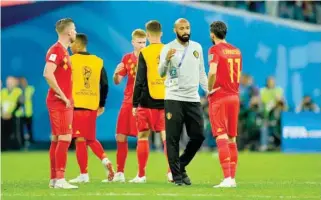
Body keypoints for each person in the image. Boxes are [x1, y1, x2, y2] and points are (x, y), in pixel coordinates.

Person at [158, 18, 208, 186]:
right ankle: (177, 177)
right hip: (173, 97)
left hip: (193, 98)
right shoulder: (167, 48)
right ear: (175, 30)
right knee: (173, 138)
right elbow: (160, 73)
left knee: (199, 136)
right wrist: (166, 60)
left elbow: (202, 73)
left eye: (187, 27)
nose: (185, 31)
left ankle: (179, 165)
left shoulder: (197, 48)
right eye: (182, 28)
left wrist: (209, 91)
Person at [66, 33, 115, 184]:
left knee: (80, 139)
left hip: (78, 105)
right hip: (92, 106)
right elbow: (105, 84)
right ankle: (105, 161)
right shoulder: (98, 61)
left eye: (72, 44)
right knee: (90, 138)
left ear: (79, 45)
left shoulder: (71, 60)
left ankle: (83, 174)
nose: (70, 47)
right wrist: (102, 104)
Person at [131, 20, 170, 183]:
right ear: (161, 34)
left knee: (142, 136)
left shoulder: (144, 53)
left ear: (147, 35)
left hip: (147, 101)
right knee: (168, 138)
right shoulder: (170, 50)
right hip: (167, 101)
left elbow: (139, 81)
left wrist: (134, 103)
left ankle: (141, 175)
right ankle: (172, 172)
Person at [110, 29, 151, 182]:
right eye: (139, 42)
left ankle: (142, 174)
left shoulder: (150, 57)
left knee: (143, 137)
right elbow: (117, 80)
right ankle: (120, 172)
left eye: (144, 42)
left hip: (144, 102)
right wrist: (115, 74)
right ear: (133, 42)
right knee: (120, 135)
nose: (142, 45)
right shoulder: (126, 58)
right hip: (128, 101)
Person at [207, 21, 242, 188]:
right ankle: (232, 178)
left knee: (221, 136)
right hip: (234, 96)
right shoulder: (236, 51)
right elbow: (239, 74)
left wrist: (208, 89)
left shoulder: (214, 50)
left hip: (220, 96)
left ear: (212, 34)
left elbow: (212, 72)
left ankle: (227, 178)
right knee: (232, 138)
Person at [43, 18, 77, 189]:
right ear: (69, 32)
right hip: (59, 102)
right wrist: (63, 96)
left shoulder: (64, 51)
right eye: (75, 30)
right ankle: (60, 179)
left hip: (62, 100)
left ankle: (54, 179)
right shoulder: (56, 50)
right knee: (64, 138)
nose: (76, 33)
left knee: (57, 139)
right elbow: (48, 73)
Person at [1, 76, 23, 150]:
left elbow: (20, 103)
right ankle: (3, 148)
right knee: (3, 133)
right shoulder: (3, 91)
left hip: (15, 116)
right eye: (8, 82)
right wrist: (3, 113)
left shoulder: (18, 91)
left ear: (14, 83)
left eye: (11, 82)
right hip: (3, 116)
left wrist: (11, 113)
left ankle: (17, 148)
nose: (9, 84)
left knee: (16, 133)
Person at [17, 77, 35, 145]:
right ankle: (22, 142)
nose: (23, 83)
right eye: (21, 81)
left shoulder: (29, 88)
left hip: (28, 112)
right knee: (20, 129)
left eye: (24, 81)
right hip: (21, 113)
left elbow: (27, 97)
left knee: (29, 128)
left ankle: (31, 142)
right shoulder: (18, 90)